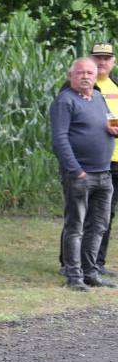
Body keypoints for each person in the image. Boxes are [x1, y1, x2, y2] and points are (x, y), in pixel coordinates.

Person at [51, 56, 117, 292]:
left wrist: (113, 127)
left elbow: (109, 119)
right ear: (71, 76)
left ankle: (91, 272)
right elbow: (59, 139)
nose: (86, 77)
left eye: (90, 73)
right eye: (80, 73)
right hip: (80, 175)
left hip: (104, 173)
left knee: (98, 225)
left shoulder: (98, 97)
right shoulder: (65, 101)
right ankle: (74, 276)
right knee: (76, 226)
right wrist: (75, 170)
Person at [88, 43, 118, 276]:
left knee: (107, 214)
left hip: (116, 160)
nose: (102, 62)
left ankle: (97, 262)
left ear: (113, 62)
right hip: (95, 160)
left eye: (106, 58)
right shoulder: (84, 85)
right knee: (85, 214)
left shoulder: (116, 84)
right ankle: (71, 263)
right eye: (97, 57)